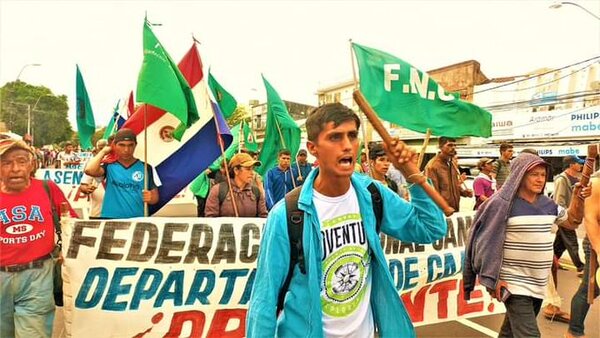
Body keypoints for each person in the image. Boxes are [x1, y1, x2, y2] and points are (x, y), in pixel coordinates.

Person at [247, 103, 447, 337]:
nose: (346, 146)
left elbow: (430, 228)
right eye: (334, 137)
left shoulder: (372, 195)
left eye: (352, 135)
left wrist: (411, 173)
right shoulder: (287, 215)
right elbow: (264, 299)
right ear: (313, 148)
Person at [463, 152, 590, 338]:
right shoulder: (500, 204)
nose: (540, 179)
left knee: (510, 333)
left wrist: (578, 198)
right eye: (534, 174)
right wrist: (492, 277)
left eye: (543, 175)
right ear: (520, 175)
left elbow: (571, 222)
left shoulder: (548, 204)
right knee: (529, 335)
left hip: (539, 283)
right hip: (513, 284)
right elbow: (482, 242)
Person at [0, 139, 77, 338]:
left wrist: (67, 251)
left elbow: (72, 225)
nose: (15, 169)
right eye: (6, 163)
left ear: (32, 164)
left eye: (21, 161)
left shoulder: (47, 188)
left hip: (37, 277)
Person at [84, 129, 160, 218]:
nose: (126, 150)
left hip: (137, 218)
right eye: (121, 145)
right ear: (114, 146)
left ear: (135, 145)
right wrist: (103, 152)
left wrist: (151, 198)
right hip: (110, 218)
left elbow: (155, 197)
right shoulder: (109, 165)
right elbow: (89, 170)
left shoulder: (146, 167)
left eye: (130, 145)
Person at [566, 170, 600, 338]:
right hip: (597, 245)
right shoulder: (597, 182)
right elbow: (591, 219)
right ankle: (574, 332)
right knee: (589, 289)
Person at [204, 153, 267, 217]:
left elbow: (263, 217)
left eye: (252, 169)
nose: (252, 173)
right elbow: (210, 218)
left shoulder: (256, 192)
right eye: (248, 169)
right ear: (236, 170)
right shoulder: (217, 190)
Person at [552, 155, 585, 274]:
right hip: (565, 216)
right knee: (572, 242)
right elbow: (559, 201)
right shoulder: (562, 179)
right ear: (571, 165)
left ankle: (552, 261)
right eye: (578, 163)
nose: (581, 165)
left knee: (560, 243)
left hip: (571, 215)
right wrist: (565, 216)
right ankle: (581, 267)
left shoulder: (575, 178)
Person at [425, 136, 473, 211]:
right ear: (440, 147)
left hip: (455, 209)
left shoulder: (452, 163)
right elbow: (432, 192)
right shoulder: (432, 166)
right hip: (442, 211)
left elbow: (454, 185)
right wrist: (444, 208)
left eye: (454, 145)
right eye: (450, 145)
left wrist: (464, 192)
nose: (453, 148)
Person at [79, 138, 109, 218]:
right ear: (97, 149)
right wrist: (86, 189)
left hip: (117, 213)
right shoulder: (92, 164)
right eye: (101, 148)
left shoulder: (119, 162)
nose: (104, 150)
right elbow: (83, 186)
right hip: (97, 213)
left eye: (105, 147)